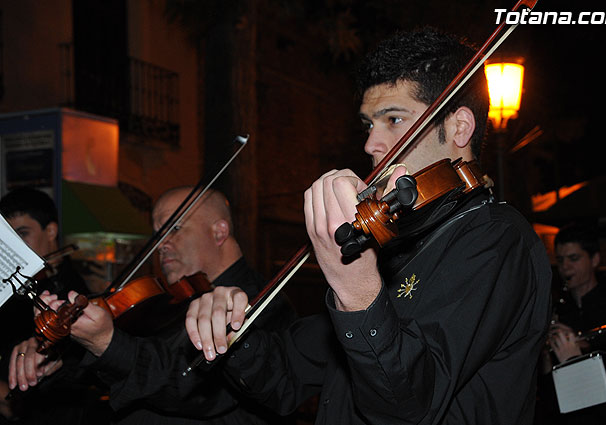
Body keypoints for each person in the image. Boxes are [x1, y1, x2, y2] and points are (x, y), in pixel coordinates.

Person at [185, 27, 552, 424]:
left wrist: (358, 292)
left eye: (394, 119)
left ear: (459, 127)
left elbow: (409, 407)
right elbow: (286, 378)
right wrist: (229, 331)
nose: (371, 143)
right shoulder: (394, 242)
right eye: (368, 125)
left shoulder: (495, 237)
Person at [8, 187, 295, 424]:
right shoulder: (168, 302)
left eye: (175, 228)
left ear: (219, 232)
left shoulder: (262, 305)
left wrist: (107, 343)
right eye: (158, 233)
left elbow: (193, 387)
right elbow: (113, 380)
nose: (162, 244)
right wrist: (56, 359)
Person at [0, 187, 98, 424]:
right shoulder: (16, 288)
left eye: (22, 234)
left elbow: (69, 380)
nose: (16, 249)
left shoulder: (72, 293)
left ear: (51, 230)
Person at [547, 223, 606, 363]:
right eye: (560, 260)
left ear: (594, 260)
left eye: (574, 258)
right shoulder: (561, 307)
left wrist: (584, 346)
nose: (564, 267)